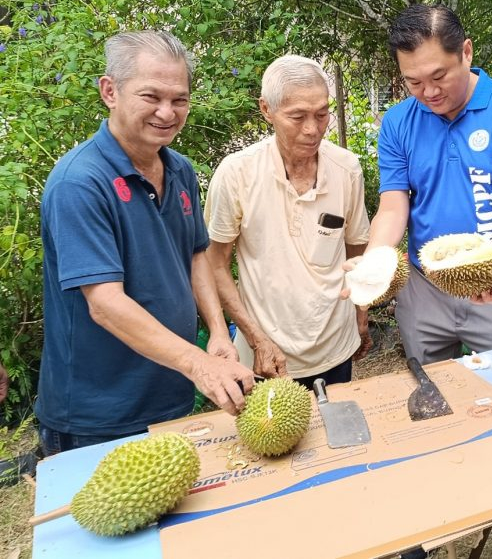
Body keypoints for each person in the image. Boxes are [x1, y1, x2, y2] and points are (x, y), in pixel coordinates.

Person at [353, 4, 492, 559]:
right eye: (412, 81)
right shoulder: (398, 123)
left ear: (466, 53)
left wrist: (490, 259)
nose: (427, 91)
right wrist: (376, 258)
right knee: (424, 402)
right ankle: (426, 525)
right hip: (424, 288)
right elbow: (394, 206)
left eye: (438, 76)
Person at [36, 31, 254, 457]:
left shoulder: (180, 170)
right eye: (151, 96)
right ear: (110, 91)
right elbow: (104, 303)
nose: (167, 112)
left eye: (180, 99)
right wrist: (198, 364)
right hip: (97, 415)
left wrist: (215, 333)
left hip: (169, 392)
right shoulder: (79, 183)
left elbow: (196, 257)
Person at [204, 55, 371, 388]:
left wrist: (361, 317)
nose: (313, 129)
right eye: (297, 116)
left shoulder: (346, 169)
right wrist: (255, 338)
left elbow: (357, 249)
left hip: (335, 345)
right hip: (266, 355)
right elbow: (215, 264)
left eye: (322, 114)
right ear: (267, 110)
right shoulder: (237, 173)